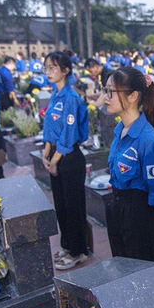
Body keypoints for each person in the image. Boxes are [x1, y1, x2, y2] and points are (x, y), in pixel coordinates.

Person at [103, 67, 154, 262]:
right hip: (117, 209)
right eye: (105, 90)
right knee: (122, 272)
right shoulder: (120, 130)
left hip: (139, 218)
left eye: (111, 91)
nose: (105, 97)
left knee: (142, 278)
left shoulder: (148, 141)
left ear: (133, 96)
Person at [40, 52, 90, 270]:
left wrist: (55, 159)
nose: (49, 72)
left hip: (69, 159)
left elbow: (69, 133)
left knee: (73, 207)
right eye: (46, 68)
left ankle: (79, 251)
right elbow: (51, 128)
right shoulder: (56, 94)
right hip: (56, 157)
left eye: (53, 68)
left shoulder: (70, 97)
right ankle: (68, 245)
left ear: (66, 71)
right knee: (60, 206)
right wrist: (46, 152)